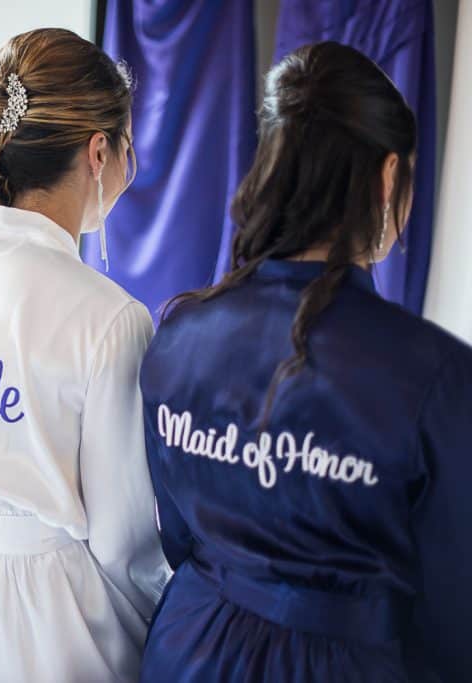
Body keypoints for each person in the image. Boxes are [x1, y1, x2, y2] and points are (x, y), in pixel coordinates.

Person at [140, 41, 472, 682]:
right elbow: (451, 613)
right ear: (387, 177)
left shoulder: (180, 330)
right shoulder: (433, 376)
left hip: (188, 644)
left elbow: (178, 535)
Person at [0, 28, 170, 683]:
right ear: (99, 151)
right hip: (42, 624)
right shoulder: (111, 320)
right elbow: (125, 541)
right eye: (130, 147)